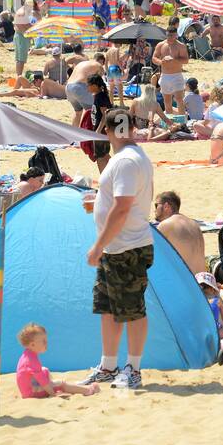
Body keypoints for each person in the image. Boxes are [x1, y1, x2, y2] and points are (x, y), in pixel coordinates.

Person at [81, 108, 156, 390]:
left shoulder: (125, 161)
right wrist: (99, 200)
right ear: (132, 129)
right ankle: (108, 365)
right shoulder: (134, 158)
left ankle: (133, 369)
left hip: (126, 248)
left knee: (132, 309)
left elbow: (123, 207)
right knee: (108, 308)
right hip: (117, 247)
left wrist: (97, 246)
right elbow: (125, 201)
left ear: (108, 131)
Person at [15, 323, 99, 398]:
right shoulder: (31, 360)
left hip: (27, 389)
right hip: (31, 393)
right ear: (32, 344)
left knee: (44, 370)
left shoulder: (27, 355)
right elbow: (43, 382)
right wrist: (53, 393)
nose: (46, 343)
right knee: (61, 384)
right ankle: (88, 390)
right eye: (43, 341)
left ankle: (56, 385)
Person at [153, 190, 206, 275]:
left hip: (186, 282)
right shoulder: (194, 224)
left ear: (166, 206)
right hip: (202, 281)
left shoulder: (166, 225)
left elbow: (153, 255)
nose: (154, 210)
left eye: (156, 205)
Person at [152, 29, 191, 114]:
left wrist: (175, 60)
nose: (170, 37)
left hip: (177, 75)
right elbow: (154, 58)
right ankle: (170, 121)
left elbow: (186, 60)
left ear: (176, 35)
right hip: (165, 75)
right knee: (167, 100)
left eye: (172, 35)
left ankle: (182, 121)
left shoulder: (180, 46)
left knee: (179, 99)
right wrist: (161, 62)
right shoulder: (161, 45)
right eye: (168, 35)